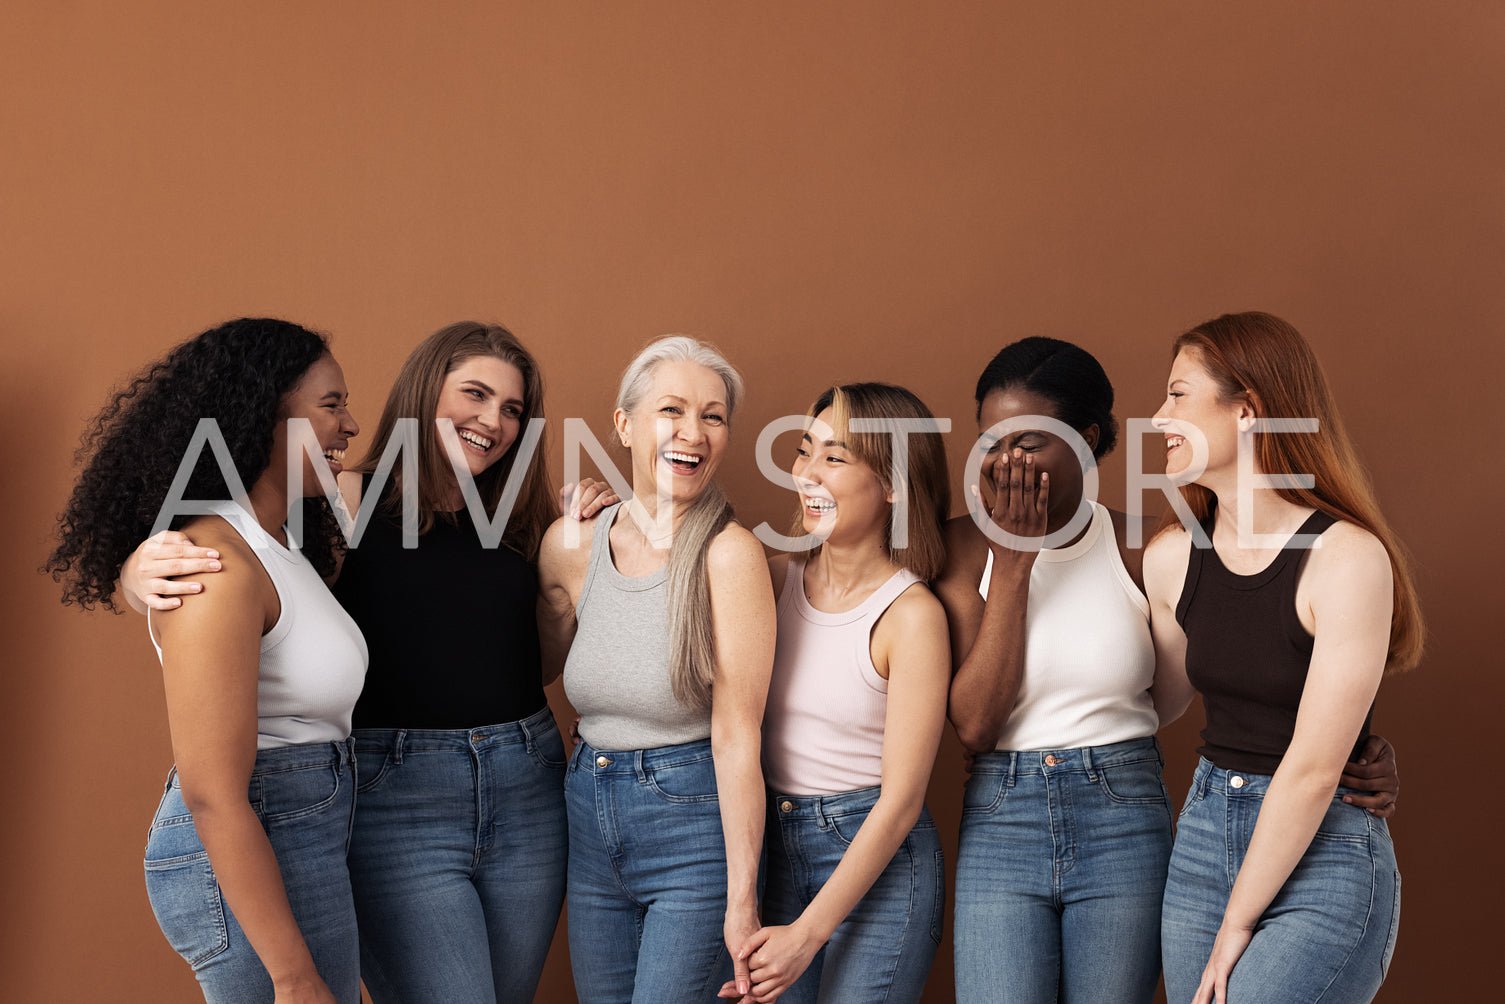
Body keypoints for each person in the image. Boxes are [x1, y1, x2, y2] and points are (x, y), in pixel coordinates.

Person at [118, 321, 616, 1003]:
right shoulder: (342, 498)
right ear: (422, 391)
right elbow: (230, 562)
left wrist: (580, 558)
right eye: (474, 393)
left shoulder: (520, 519)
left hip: (524, 777)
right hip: (396, 786)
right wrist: (138, 568)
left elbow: (533, 665)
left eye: (512, 409)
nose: (492, 420)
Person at [936, 336, 1402, 1004]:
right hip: (1100, 820)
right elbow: (986, 723)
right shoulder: (1165, 553)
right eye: (991, 440)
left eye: (1028, 441)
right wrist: (1012, 559)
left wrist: (1352, 744)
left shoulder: (1155, 549)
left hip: (1139, 810)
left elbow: (1225, 696)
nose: (1003, 461)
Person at [47, 318, 367, 1003]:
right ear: (263, 416)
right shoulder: (214, 563)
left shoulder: (283, 545)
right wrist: (292, 975)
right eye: (331, 405)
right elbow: (212, 794)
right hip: (252, 838)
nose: (352, 425)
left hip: (303, 831)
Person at [1144, 312, 1420, 1004]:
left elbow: (1311, 768)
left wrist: (1236, 921)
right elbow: (1156, 703)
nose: (1156, 419)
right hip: (1206, 831)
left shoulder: (1347, 559)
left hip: (1323, 845)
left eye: (1176, 395)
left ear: (1245, 410)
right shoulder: (1173, 558)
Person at [536, 335, 775, 1004]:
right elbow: (541, 667)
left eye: (713, 415)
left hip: (691, 823)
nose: (692, 433)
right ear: (623, 425)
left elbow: (736, 737)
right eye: (671, 410)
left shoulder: (729, 557)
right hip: (587, 815)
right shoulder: (572, 543)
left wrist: (741, 896)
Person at [724, 383, 951, 1003]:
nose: (806, 473)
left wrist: (807, 935)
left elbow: (902, 801)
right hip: (775, 841)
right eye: (805, 451)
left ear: (895, 484)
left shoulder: (911, 615)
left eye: (836, 456)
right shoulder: (769, 577)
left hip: (875, 861)